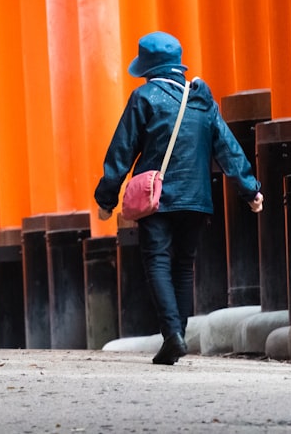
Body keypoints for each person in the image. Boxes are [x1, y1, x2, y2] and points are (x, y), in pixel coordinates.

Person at [94, 31, 263, 365]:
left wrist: (106, 198)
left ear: (147, 68)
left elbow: (121, 151)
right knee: (183, 265)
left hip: (156, 199)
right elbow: (227, 147)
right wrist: (251, 189)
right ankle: (178, 336)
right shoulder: (203, 101)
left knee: (157, 260)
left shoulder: (143, 98)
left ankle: (172, 335)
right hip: (197, 198)